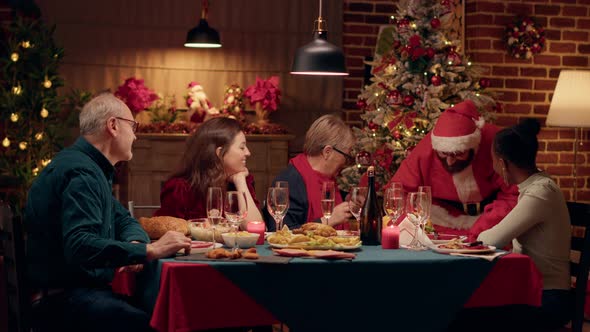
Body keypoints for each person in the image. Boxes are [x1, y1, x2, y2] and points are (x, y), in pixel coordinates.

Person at [25, 92, 191, 332]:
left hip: (71, 293)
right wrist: (148, 250)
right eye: (133, 126)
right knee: (163, 322)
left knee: (160, 312)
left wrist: (135, 242)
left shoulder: (87, 167)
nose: (135, 135)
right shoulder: (82, 173)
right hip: (64, 301)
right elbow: (80, 245)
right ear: (113, 125)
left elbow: (123, 218)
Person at [476, 118, 570, 330]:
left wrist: (472, 238)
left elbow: (492, 239)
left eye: (493, 161)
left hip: (549, 298)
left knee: (468, 315)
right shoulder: (535, 188)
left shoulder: (540, 192)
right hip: (533, 291)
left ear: (502, 163)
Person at [388, 99, 518, 239]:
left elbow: (515, 193)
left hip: (491, 222)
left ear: (473, 145)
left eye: (458, 154)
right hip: (442, 223)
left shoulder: (495, 142)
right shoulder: (427, 149)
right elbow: (399, 192)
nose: (449, 161)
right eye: (443, 154)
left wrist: (487, 223)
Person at [155, 117, 262, 229]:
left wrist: (240, 181)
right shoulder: (180, 188)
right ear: (220, 153)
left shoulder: (242, 181)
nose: (248, 153)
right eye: (242, 147)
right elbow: (167, 233)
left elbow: (254, 229)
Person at [264, 114, 355, 231]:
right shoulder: (289, 181)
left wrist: (348, 197)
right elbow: (280, 231)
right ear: (327, 152)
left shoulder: (326, 181)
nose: (345, 163)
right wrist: (328, 221)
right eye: (346, 156)